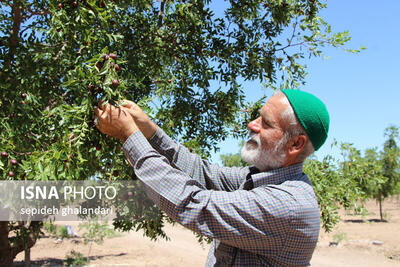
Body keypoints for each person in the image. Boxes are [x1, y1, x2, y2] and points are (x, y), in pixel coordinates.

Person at [94, 89, 330, 266]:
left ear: (295, 143)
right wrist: (150, 132)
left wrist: (129, 136)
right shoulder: (260, 178)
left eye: (265, 123)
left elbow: (193, 203)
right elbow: (205, 173)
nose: (251, 124)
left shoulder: (287, 205)